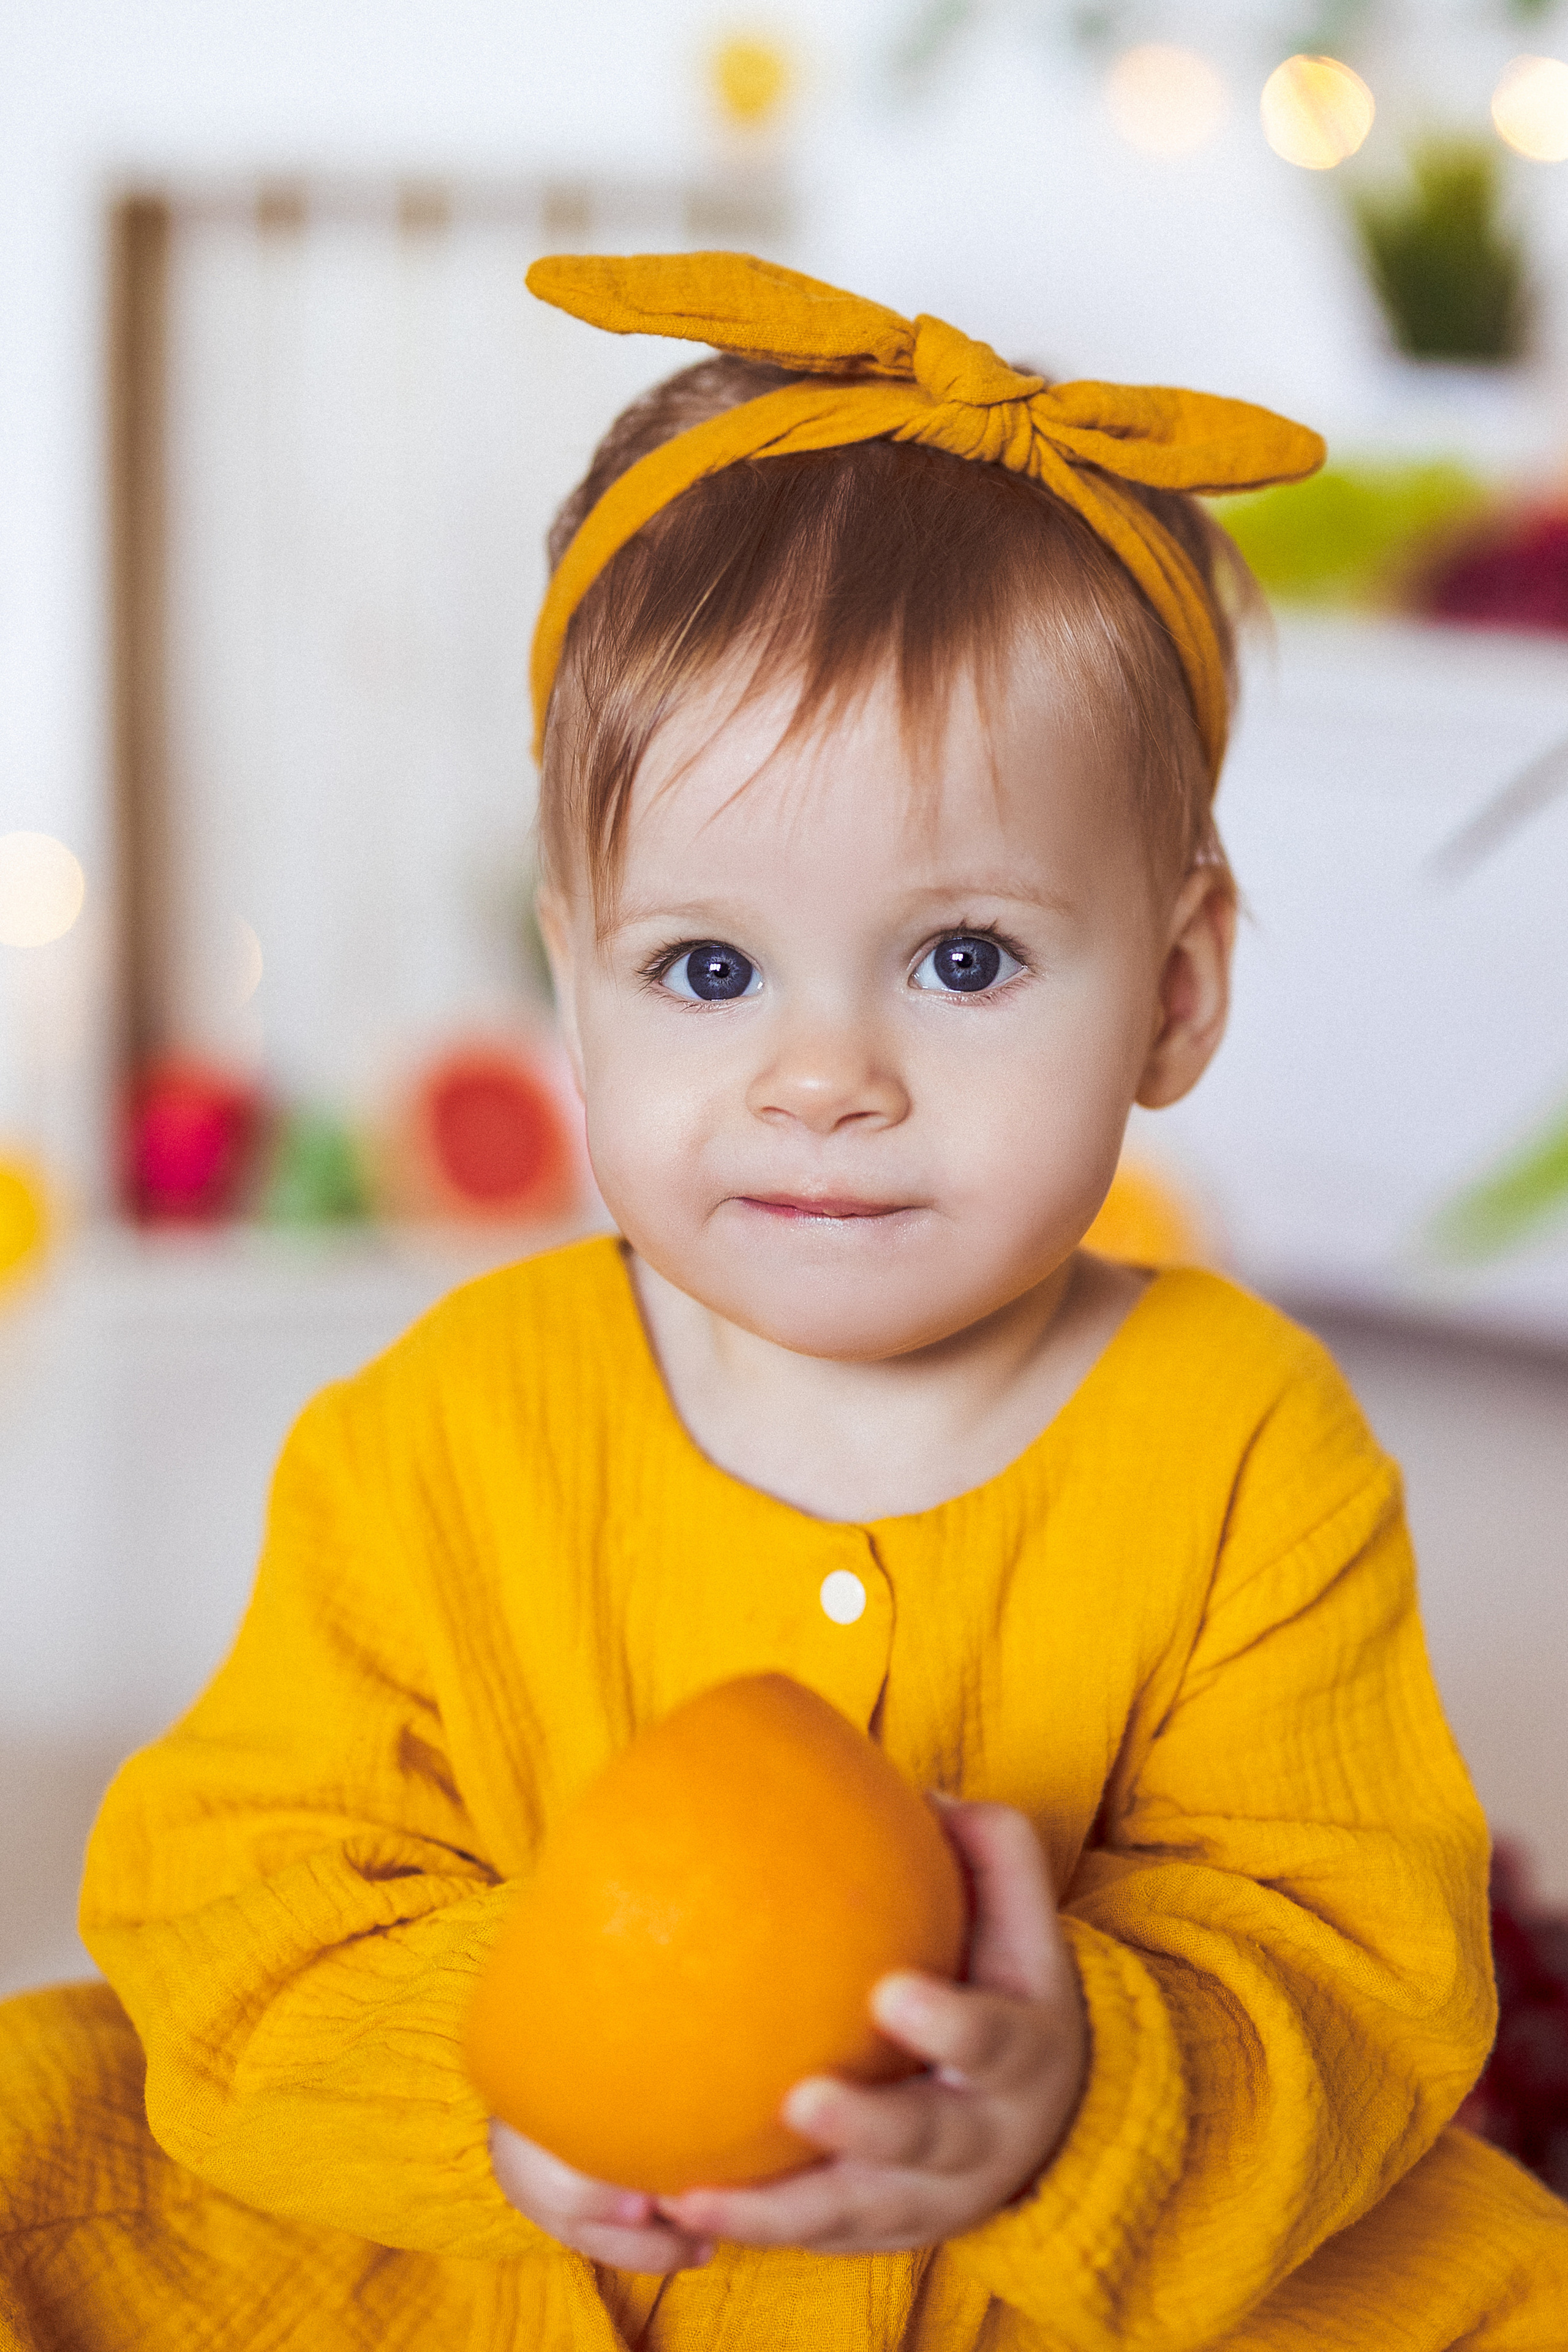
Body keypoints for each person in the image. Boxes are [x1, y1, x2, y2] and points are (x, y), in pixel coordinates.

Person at [3, 252, 1566, 2351]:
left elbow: (1359, 1961)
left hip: (1054, 2290)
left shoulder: (1247, 1448)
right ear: (576, 983)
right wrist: (516, 2092)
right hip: (514, 2268)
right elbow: (243, 1889)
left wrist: (1071, 2091)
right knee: (59, 2142)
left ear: (1176, 990)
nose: (820, 1077)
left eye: (966, 960)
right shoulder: (446, 1427)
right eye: (710, 973)